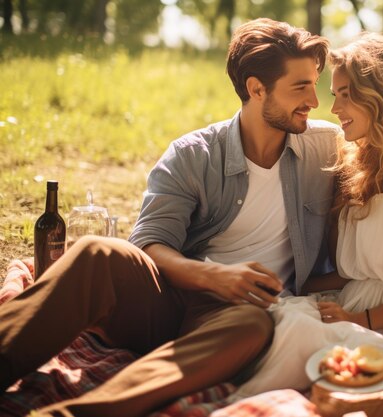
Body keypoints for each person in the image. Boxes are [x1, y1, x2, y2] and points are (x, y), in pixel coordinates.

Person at [0, 18, 339, 417]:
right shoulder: (194, 154)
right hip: (170, 300)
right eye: (300, 87)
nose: (315, 101)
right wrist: (215, 276)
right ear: (256, 89)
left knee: (253, 324)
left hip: (232, 322)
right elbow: (148, 245)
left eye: (315, 84)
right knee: (98, 253)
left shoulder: (326, 149)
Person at [235, 32, 383, 396]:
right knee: (280, 318)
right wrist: (297, 289)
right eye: (334, 95)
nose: (334, 109)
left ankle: (235, 404)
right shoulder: (355, 158)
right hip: (352, 302)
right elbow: (351, 272)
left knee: (301, 338)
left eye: (346, 94)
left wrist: (360, 320)